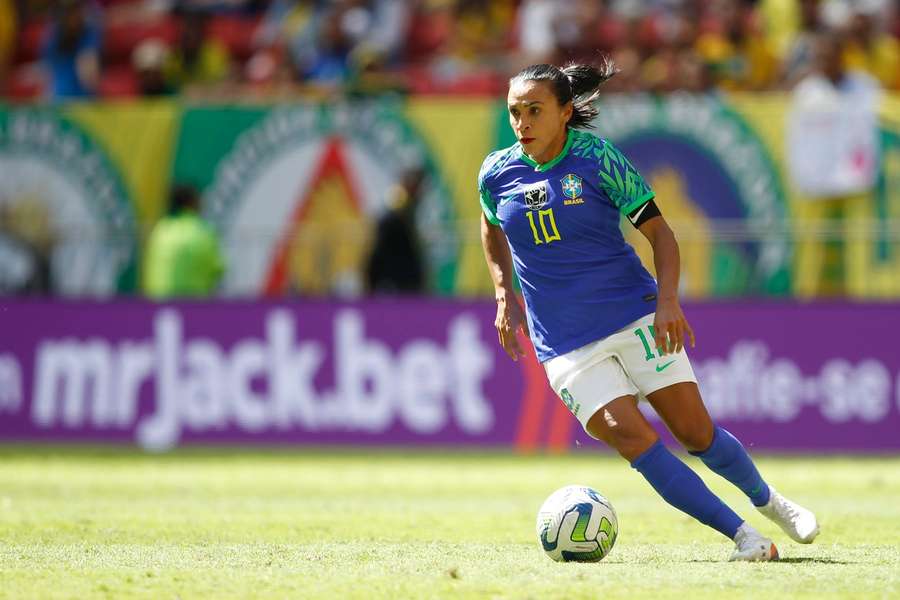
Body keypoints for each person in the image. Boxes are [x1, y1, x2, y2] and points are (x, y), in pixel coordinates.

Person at [478, 60, 819, 561]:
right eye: (514, 112)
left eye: (534, 110)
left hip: (632, 315)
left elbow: (661, 234)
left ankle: (771, 502)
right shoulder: (495, 171)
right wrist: (505, 293)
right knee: (630, 437)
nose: (522, 123)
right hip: (565, 343)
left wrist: (667, 303)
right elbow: (491, 227)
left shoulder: (598, 158)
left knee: (696, 434)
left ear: (565, 112)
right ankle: (743, 536)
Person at [143, 184, 225, 299]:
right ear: (192, 203)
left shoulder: (160, 230)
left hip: (157, 303)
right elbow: (218, 270)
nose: (201, 204)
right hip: (193, 305)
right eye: (198, 200)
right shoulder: (202, 232)